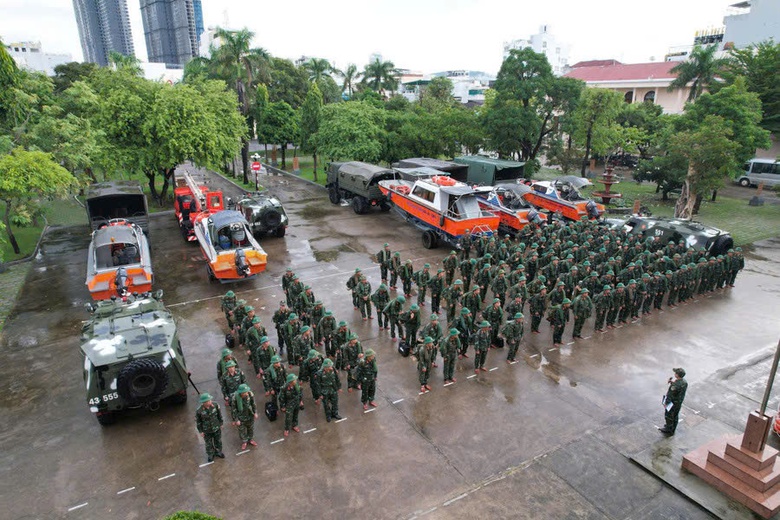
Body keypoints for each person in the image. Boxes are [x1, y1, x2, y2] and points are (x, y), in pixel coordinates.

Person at [195, 393, 224, 462]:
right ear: (203, 403)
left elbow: (219, 415)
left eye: (210, 400)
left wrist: (221, 423)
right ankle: (210, 454)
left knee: (218, 441)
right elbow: (198, 422)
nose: (210, 402)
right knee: (208, 443)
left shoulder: (216, 405)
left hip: (216, 427)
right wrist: (201, 431)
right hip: (206, 430)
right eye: (207, 401)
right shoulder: (199, 411)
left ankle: (218, 451)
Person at [229, 383, 258, 451]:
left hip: (249, 415)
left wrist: (255, 412)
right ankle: (244, 441)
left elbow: (253, 404)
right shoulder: (235, 398)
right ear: (241, 393)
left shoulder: (250, 394)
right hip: (240, 417)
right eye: (245, 392)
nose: (246, 393)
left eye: (247, 391)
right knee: (242, 430)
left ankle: (250, 439)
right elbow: (233, 409)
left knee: (250, 428)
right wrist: (236, 420)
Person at [660, 368, 688, 436]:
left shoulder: (675, 385)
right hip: (678, 402)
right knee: (675, 416)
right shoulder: (684, 382)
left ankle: (669, 429)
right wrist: (672, 382)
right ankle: (673, 427)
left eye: (675, 373)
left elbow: (670, 395)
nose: (674, 373)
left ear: (677, 375)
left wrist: (666, 403)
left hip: (672, 403)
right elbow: (678, 388)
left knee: (669, 415)